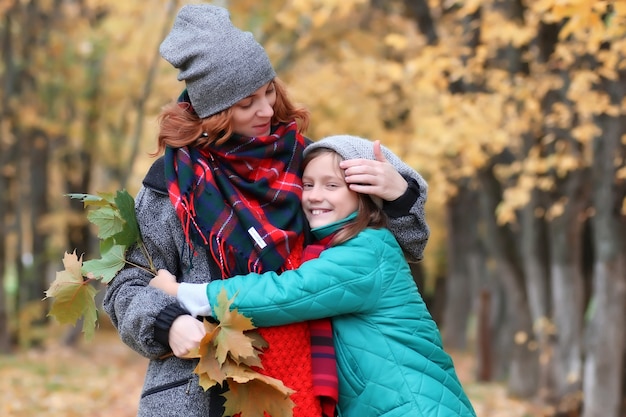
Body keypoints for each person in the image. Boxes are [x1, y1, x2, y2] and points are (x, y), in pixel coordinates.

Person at [103, 4, 429, 417]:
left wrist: (399, 195)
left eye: (268, 91)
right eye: (246, 103)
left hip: (314, 382)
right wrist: (165, 323)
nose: (266, 110)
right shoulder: (168, 191)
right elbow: (123, 285)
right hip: (202, 392)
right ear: (213, 113)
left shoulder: (310, 166)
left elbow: (397, 251)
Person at [150, 134, 477, 417]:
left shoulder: (367, 251)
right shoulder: (343, 246)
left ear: (365, 196)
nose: (314, 196)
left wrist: (186, 294)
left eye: (332, 185)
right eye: (307, 185)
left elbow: (287, 292)